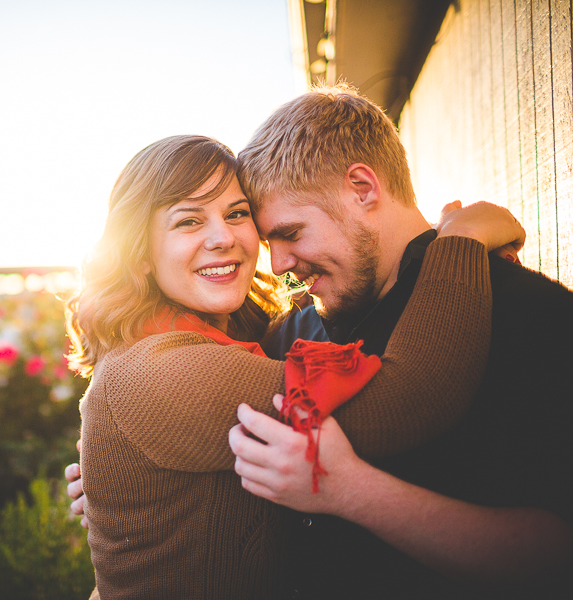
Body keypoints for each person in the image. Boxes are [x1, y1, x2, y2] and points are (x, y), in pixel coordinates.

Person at [65, 133, 521, 599]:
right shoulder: (165, 373)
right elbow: (410, 396)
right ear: (138, 253)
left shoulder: (208, 339)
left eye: (237, 213)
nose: (223, 238)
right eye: (188, 221)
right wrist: (461, 241)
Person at [228, 83, 573, 598]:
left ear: (363, 188)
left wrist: (351, 492)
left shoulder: (525, 312)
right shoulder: (293, 329)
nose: (279, 266)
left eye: (292, 233)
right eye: (268, 244)